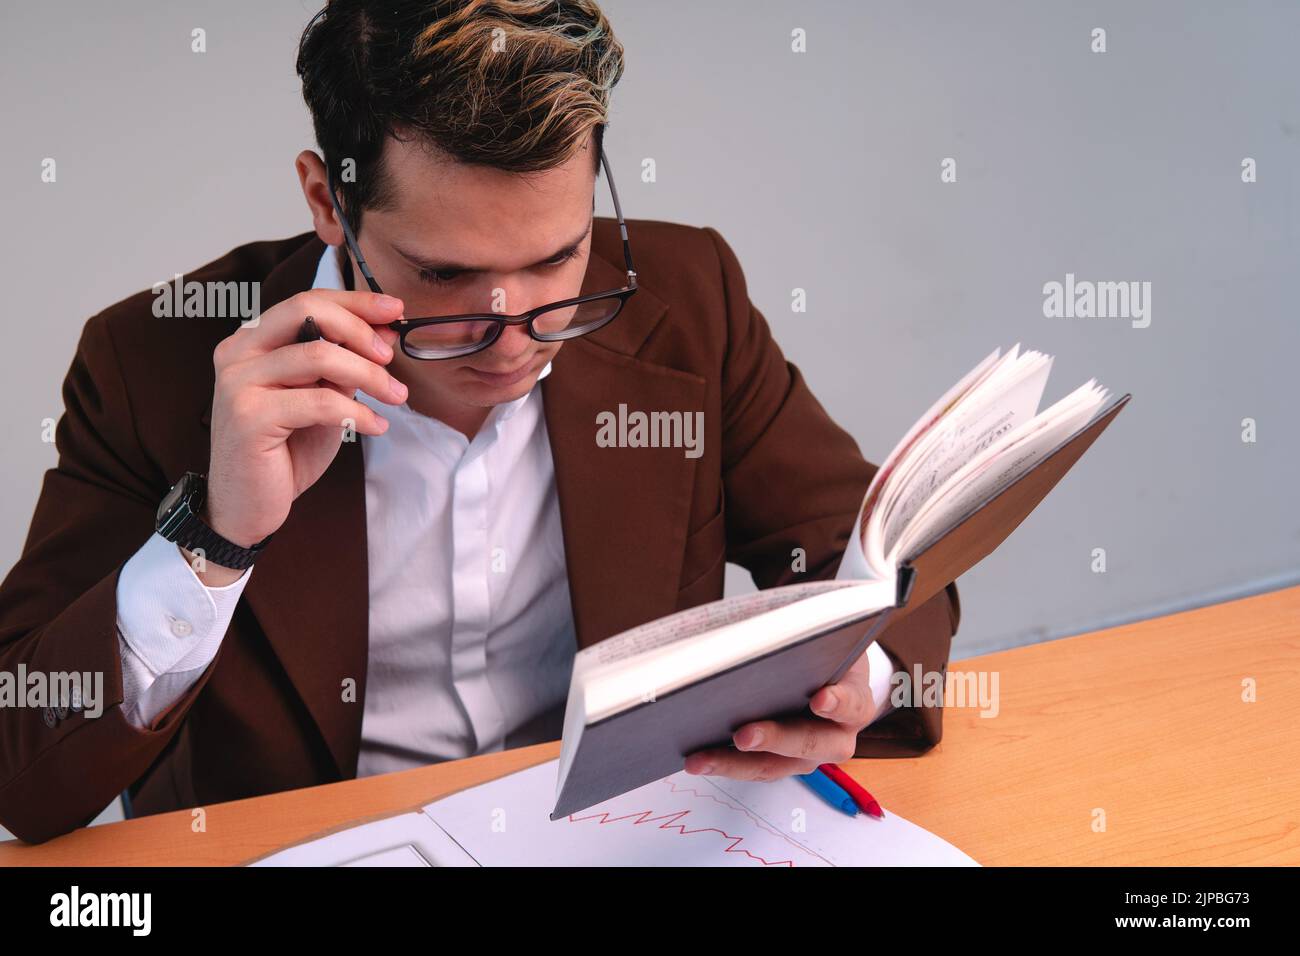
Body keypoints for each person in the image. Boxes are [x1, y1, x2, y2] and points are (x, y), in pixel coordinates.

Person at [0, 0, 959, 844]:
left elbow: (882, 567)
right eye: (445, 277)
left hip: (626, 841)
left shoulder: (688, 299)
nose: (512, 337)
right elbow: (21, 774)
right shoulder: (150, 365)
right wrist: (213, 537)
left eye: (556, 260)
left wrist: (851, 683)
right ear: (326, 200)